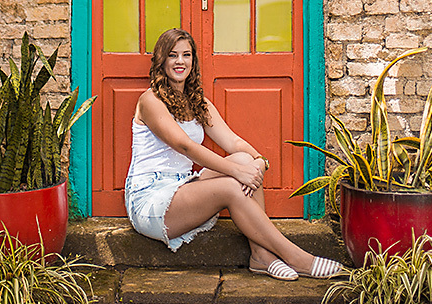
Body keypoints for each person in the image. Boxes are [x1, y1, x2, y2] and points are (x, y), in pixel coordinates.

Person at [123, 28, 344, 280]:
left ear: (193, 60)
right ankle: (297, 258)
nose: (180, 61)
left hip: (181, 187)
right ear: (161, 60)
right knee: (232, 183)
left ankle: (260, 255)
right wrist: (236, 171)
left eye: (186, 55)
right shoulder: (150, 100)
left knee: (246, 162)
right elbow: (185, 146)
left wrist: (259, 160)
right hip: (150, 199)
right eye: (173, 55)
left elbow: (234, 142)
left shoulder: (198, 103)